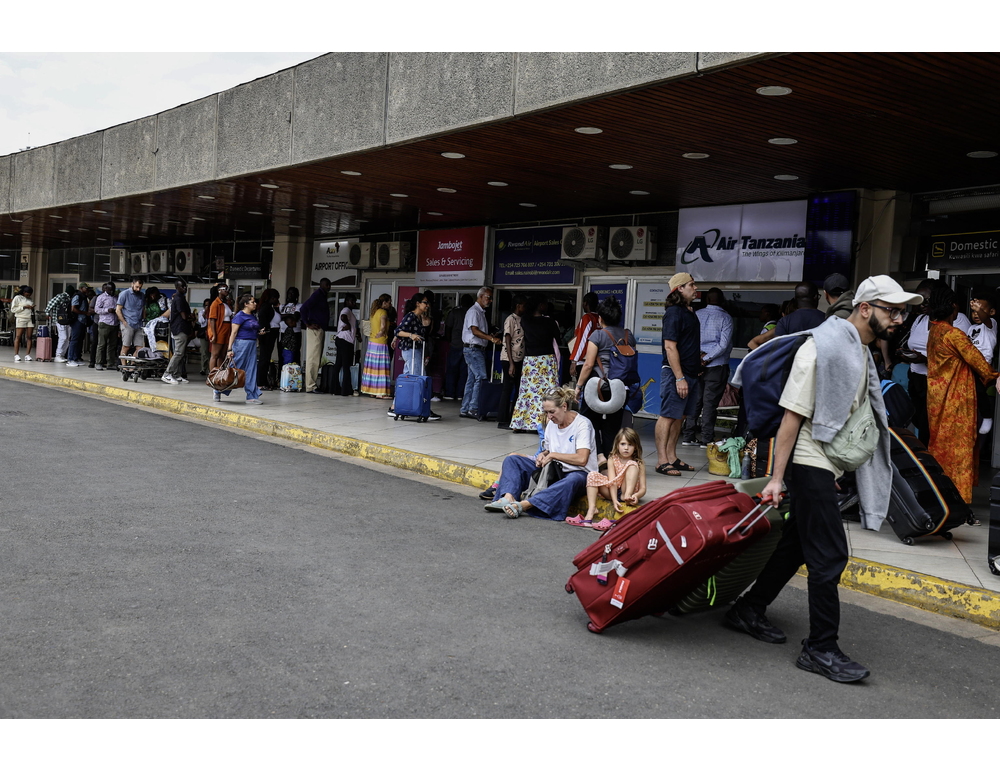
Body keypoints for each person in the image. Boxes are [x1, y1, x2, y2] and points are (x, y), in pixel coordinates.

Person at [726, 275, 923, 684]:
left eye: (903, 312)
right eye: (893, 310)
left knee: (797, 543)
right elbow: (791, 417)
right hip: (804, 457)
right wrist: (777, 478)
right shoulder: (821, 347)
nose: (900, 319)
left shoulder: (860, 351)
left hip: (822, 461)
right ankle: (820, 648)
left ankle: (748, 609)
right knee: (830, 554)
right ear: (866, 308)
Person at [926, 285, 999, 504]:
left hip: (936, 398)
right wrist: (995, 376)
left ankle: (937, 492)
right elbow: (979, 362)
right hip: (956, 398)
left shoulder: (934, 331)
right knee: (960, 449)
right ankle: (959, 500)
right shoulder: (953, 334)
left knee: (939, 446)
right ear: (952, 306)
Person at [483, 386, 597, 520]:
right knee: (512, 460)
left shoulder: (582, 425)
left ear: (564, 407)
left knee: (571, 480)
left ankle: (525, 505)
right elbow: (548, 449)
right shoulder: (552, 424)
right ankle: (509, 496)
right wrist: (544, 454)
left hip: (578, 473)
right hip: (553, 471)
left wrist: (553, 455)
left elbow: (582, 459)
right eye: (546, 412)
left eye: (552, 412)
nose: (549, 416)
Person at [899, 278, 972, 441]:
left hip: (938, 383)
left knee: (931, 430)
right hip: (916, 380)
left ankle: (930, 464)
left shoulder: (957, 319)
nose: (921, 304)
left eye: (926, 299)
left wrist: (925, 359)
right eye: (918, 300)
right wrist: (907, 355)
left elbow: (960, 357)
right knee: (920, 422)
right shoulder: (920, 319)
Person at [574, 296, 635, 458]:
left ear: (600, 318)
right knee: (613, 424)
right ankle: (610, 457)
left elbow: (588, 364)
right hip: (621, 387)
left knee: (589, 421)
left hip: (597, 386)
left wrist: (578, 387)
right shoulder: (629, 336)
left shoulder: (597, 335)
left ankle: (598, 455)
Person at [654, 272, 701, 476]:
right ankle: (662, 461)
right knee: (667, 416)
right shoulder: (674, 312)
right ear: (679, 289)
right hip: (676, 374)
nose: (695, 287)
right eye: (691, 285)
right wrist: (679, 378)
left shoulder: (689, 311)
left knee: (679, 416)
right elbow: (670, 347)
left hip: (690, 373)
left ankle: (672, 457)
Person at [682, 287, 733, 448]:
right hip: (716, 366)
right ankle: (706, 439)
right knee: (710, 403)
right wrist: (707, 358)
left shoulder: (696, 315)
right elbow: (723, 345)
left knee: (695, 400)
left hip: (695, 364)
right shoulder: (726, 318)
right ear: (722, 300)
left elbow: (688, 339)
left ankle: (688, 436)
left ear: (707, 300)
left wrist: (698, 358)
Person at [567, 427, 646, 531]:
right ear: (617, 445)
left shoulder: (638, 463)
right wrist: (614, 501)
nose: (626, 448)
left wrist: (636, 495)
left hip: (626, 493)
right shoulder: (612, 458)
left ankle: (627, 496)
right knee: (592, 475)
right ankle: (592, 509)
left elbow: (643, 488)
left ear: (635, 447)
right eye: (623, 444)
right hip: (612, 491)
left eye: (630, 444)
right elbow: (612, 482)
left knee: (631, 464)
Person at [509, 295, 561, 432]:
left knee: (527, 393)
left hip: (530, 361)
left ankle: (521, 423)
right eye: (544, 304)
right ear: (540, 305)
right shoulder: (550, 322)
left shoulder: (525, 320)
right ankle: (545, 423)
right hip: (546, 361)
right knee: (548, 392)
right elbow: (558, 339)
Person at [387, 293, 441, 420]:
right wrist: (411, 335)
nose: (427, 305)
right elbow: (398, 330)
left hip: (415, 351)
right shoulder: (411, 316)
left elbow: (401, 330)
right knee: (418, 380)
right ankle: (422, 408)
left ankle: (395, 407)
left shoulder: (417, 317)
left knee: (408, 380)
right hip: (412, 351)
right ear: (418, 303)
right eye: (425, 302)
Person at [460, 287, 502, 419]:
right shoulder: (474, 311)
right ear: (480, 296)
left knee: (472, 379)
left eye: (490, 297)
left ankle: (465, 408)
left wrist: (490, 336)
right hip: (473, 349)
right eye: (488, 297)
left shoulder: (480, 312)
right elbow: (475, 331)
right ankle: (473, 408)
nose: (490, 300)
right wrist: (491, 338)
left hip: (475, 349)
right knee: (481, 377)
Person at [217, 293, 264, 405]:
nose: (255, 304)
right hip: (241, 344)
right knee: (234, 369)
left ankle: (251, 395)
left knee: (251, 369)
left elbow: (251, 329)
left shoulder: (252, 316)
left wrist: (259, 332)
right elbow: (233, 333)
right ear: (246, 304)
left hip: (252, 344)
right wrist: (229, 349)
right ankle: (218, 388)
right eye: (252, 302)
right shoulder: (239, 316)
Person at [968, 288, 998, 436]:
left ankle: (987, 416)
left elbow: (985, 318)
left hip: (983, 366)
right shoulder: (971, 328)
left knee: (979, 391)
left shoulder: (991, 324)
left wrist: (978, 309)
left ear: (991, 312)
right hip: (969, 365)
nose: (976, 313)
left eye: (980, 309)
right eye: (973, 310)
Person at [498, 294, 526, 430]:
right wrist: (511, 363)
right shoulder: (510, 319)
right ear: (518, 305)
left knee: (518, 389)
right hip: (509, 359)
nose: (524, 307)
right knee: (507, 388)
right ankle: (502, 420)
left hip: (519, 358)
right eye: (523, 305)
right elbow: (507, 340)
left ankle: (513, 418)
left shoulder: (522, 319)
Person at [299, 278, 331, 394]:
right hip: (315, 329)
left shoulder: (321, 296)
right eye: (327, 285)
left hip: (319, 328)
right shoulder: (317, 294)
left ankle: (312, 384)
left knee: (316, 357)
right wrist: (307, 323)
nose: (329, 287)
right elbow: (303, 308)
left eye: (329, 285)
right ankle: (310, 386)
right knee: (313, 357)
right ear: (322, 285)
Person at [162, 280, 194, 385]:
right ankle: (167, 374)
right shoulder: (179, 298)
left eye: (185, 286)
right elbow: (184, 316)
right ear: (177, 287)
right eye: (182, 286)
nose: (185, 288)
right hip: (180, 328)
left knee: (181, 353)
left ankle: (176, 374)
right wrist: (191, 317)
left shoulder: (180, 298)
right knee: (178, 353)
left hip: (182, 328)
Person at [361, 294, 393, 399]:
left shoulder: (374, 312)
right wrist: (382, 332)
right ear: (384, 303)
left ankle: (372, 391)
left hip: (372, 343)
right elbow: (383, 325)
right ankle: (381, 393)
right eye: (389, 302)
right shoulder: (383, 312)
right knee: (381, 367)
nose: (390, 304)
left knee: (372, 368)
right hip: (380, 342)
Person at [443, 294, 474, 400]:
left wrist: (449, 341)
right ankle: (460, 394)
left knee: (452, 370)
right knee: (464, 371)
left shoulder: (454, 312)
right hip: (468, 345)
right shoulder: (472, 313)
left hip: (455, 344)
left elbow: (448, 328)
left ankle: (449, 393)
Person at [331, 293, 358, 396]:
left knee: (338, 364)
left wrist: (357, 334)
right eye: (352, 301)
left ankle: (335, 389)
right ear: (347, 301)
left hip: (342, 339)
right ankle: (346, 390)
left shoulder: (350, 312)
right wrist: (347, 324)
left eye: (354, 301)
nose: (354, 303)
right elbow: (343, 317)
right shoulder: (346, 310)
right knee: (346, 366)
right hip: (345, 340)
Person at [568, 292, 600, 379]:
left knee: (584, 389)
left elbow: (582, 340)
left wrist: (574, 361)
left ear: (586, 303)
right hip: (598, 361)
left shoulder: (587, 318)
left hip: (584, 361)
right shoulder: (600, 318)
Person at [256, 289, 281, 390]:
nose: (277, 300)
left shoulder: (270, 307)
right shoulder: (266, 307)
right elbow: (262, 320)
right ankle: (260, 382)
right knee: (264, 358)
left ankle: (263, 381)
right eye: (275, 298)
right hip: (268, 334)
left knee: (266, 358)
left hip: (272, 333)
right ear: (271, 298)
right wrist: (264, 331)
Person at [116, 276, 146, 358]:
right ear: (132, 284)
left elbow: (143, 308)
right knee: (126, 346)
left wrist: (144, 319)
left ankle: (132, 365)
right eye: (136, 287)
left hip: (139, 324)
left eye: (140, 287)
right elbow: (118, 310)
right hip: (128, 323)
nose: (138, 289)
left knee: (140, 347)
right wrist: (124, 322)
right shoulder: (124, 294)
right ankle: (124, 366)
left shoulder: (142, 295)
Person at [207, 284, 234, 374]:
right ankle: (212, 375)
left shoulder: (225, 303)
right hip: (220, 330)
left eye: (228, 289)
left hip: (227, 330)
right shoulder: (215, 303)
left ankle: (220, 374)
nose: (227, 291)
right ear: (219, 290)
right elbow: (212, 320)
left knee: (222, 354)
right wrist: (214, 334)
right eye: (225, 289)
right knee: (215, 354)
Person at [93, 283, 119, 371]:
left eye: (113, 289)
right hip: (104, 323)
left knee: (112, 345)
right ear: (106, 289)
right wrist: (107, 310)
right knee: (101, 344)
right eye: (110, 289)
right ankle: (98, 363)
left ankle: (110, 363)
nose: (112, 291)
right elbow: (97, 310)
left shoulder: (116, 297)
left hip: (115, 323)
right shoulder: (101, 297)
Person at [66, 283, 92, 366]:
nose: (88, 290)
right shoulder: (78, 296)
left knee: (80, 340)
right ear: (81, 288)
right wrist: (85, 313)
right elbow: (73, 309)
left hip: (83, 321)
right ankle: (70, 359)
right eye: (86, 288)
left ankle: (76, 357)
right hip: (77, 320)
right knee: (74, 340)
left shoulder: (84, 297)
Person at [45, 286, 72, 363]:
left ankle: (62, 355)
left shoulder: (69, 297)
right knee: (63, 337)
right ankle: (58, 355)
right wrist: (47, 313)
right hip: (60, 319)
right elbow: (50, 303)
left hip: (66, 320)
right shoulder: (60, 296)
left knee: (67, 338)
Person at [279, 287, 302, 366]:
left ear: (297, 295)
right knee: (282, 354)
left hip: (295, 333)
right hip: (282, 332)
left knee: (294, 354)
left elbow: (295, 317)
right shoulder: (282, 306)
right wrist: (289, 316)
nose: (290, 295)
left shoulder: (299, 305)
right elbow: (278, 317)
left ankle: (295, 375)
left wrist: (284, 316)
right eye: (289, 293)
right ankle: (282, 375)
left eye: (293, 293)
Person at [11, 286, 35, 362]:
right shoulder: (17, 298)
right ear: (24, 292)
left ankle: (27, 355)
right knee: (18, 336)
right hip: (21, 318)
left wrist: (31, 308)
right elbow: (13, 309)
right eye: (27, 294)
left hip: (30, 318)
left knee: (29, 337)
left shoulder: (30, 299)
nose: (28, 296)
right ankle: (16, 354)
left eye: (30, 295)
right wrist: (24, 307)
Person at [196, 299, 211, 375]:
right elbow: (201, 322)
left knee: (210, 352)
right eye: (206, 305)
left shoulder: (213, 312)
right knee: (204, 351)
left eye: (208, 305)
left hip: (211, 333)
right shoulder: (201, 312)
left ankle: (210, 367)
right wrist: (205, 314)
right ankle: (203, 368)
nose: (207, 306)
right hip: (204, 333)